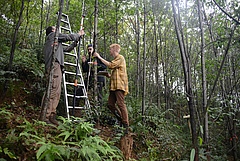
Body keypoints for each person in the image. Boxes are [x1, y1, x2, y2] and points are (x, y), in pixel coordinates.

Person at [41, 26, 84, 125]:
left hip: (57, 67)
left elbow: (67, 49)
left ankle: (51, 115)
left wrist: (76, 42)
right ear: (52, 31)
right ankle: (45, 116)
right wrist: (78, 34)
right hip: (54, 66)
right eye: (55, 28)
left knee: (56, 92)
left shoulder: (56, 44)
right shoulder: (52, 36)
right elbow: (68, 37)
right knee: (52, 91)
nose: (57, 29)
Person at [93, 44, 129, 134]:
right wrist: (108, 75)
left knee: (121, 104)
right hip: (114, 86)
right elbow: (116, 72)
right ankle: (121, 120)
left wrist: (99, 57)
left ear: (114, 50)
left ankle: (125, 124)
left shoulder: (120, 58)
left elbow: (111, 65)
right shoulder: (116, 60)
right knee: (110, 104)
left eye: (110, 49)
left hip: (120, 86)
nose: (110, 51)